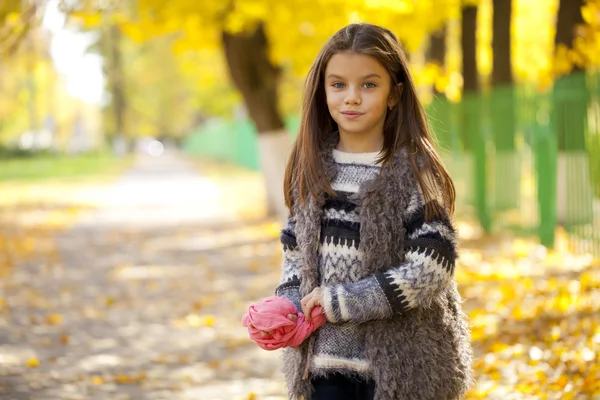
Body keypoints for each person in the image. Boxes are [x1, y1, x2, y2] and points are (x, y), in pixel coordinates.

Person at [268, 23, 473, 400]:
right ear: (322, 91)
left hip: (405, 367)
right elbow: (295, 256)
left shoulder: (413, 173)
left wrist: (345, 300)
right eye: (338, 85)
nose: (352, 98)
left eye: (369, 85)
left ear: (394, 94)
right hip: (324, 367)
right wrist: (287, 305)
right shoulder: (312, 172)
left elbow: (432, 266)